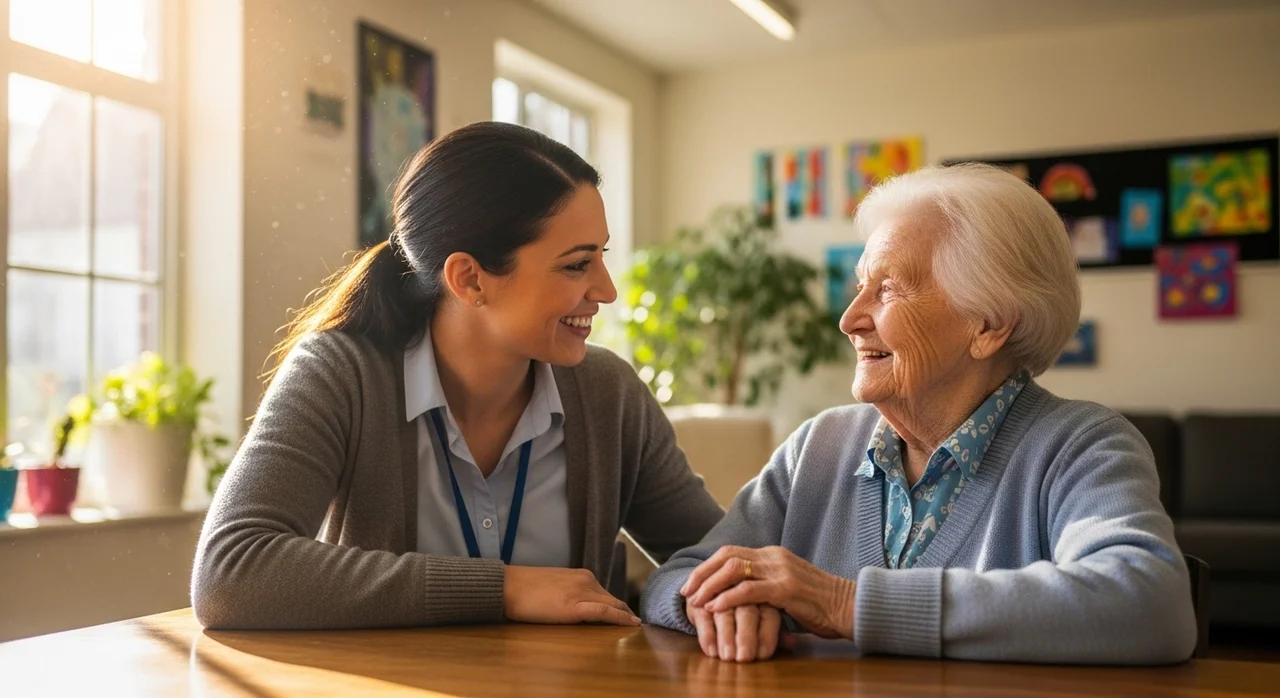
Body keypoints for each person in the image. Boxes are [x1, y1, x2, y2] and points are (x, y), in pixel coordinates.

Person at [640, 163, 1197, 665]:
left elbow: (1150, 602)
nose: (850, 319)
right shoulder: (820, 446)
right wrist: (718, 606)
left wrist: (844, 603)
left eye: (888, 289)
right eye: (860, 287)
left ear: (988, 324)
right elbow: (677, 577)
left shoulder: (1081, 446)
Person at [192, 122, 723, 630]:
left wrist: (699, 595)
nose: (606, 290)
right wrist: (505, 589)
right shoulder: (340, 374)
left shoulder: (609, 393)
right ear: (470, 278)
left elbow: (711, 558)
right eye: (576, 265)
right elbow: (231, 571)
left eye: (600, 256)